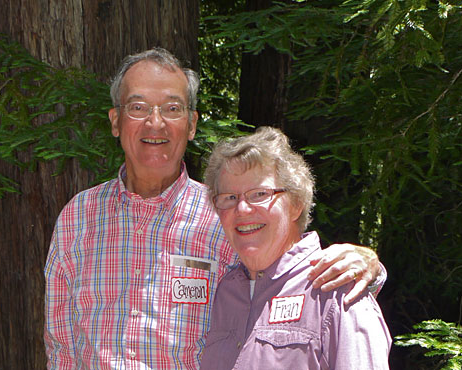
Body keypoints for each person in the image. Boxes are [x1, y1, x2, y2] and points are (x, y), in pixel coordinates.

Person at [43, 48, 386, 369]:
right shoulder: (78, 218)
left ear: (191, 124)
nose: (155, 122)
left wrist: (368, 266)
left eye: (172, 108)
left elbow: (290, 276)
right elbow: (60, 347)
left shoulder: (226, 217)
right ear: (116, 121)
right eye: (138, 107)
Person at [200, 127, 391, 369]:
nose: (242, 209)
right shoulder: (226, 293)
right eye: (229, 198)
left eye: (260, 194)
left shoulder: (334, 289)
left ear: (296, 204)